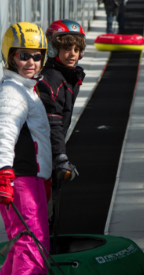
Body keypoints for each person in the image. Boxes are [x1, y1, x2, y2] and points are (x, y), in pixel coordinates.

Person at [0, 22, 52, 275]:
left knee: (19, 246)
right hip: (20, 179)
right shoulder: (12, 92)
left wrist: (45, 177)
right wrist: (2, 173)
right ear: (10, 56)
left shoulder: (25, 89)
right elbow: (3, 132)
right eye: (23, 55)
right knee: (31, 247)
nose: (31, 62)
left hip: (30, 178)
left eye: (36, 56)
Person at [38, 19, 86, 208]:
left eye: (76, 49)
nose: (72, 54)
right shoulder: (52, 79)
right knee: (46, 198)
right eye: (66, 49)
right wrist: (60, 156)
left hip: (49, 148)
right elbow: (53, 122)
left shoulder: (67, 76)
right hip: (43, 150)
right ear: (52, 49)